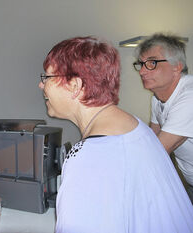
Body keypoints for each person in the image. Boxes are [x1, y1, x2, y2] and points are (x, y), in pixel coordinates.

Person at [39, 36, 193, 232]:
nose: (41, 85)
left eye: (47, 78)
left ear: (74, 86)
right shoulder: (134, 125)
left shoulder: (89, 157)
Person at [134, 33, 193, 203]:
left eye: (152, 63)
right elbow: (151, 140)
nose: (143, 71)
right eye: (141, 64)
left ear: (177, 67)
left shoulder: (189, 97)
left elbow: (158, 151)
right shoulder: (157, 98)